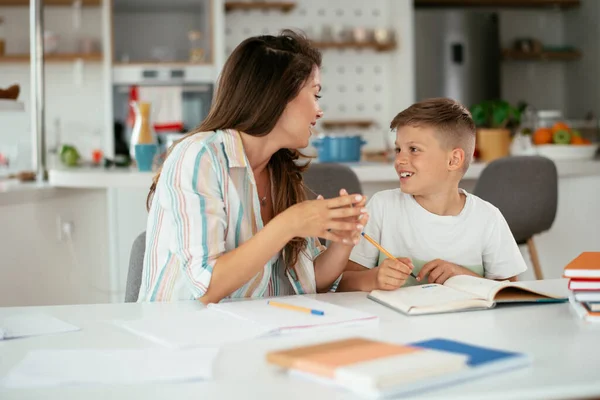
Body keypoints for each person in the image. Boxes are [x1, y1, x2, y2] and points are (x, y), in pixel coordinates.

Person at [137, 30, 368, 303]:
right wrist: (290, 223)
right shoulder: (200, 157)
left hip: (259, 329)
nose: (320, 111)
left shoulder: (280, 169)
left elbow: (307, 280)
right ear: (279, 95)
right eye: (315, 94)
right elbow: (206, 287)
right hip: (184, 334)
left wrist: (343, 240)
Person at [338, 98, 527, 292]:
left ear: (453, 160)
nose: (400, 159)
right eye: (398, 149)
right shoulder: (382, 207)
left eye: (414, 149)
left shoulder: (488, 218)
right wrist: (373, 279)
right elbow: (341, 286)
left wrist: (463, 276)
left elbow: (510, 292)